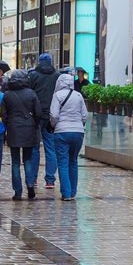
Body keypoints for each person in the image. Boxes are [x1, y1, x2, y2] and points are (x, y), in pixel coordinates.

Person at [1, 69, 44, 200]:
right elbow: (38, 113)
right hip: (29, 129)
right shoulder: (31, 93)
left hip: (14, 129)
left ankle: (18, 192)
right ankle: (30, 186)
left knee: (15, 161)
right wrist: (34, 124)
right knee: (28, 159)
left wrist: (9, 124)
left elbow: (3, 115)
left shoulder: (7, 95)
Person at [49, 72, 88, 201]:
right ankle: (73, 192)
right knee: (73, 161)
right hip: (78, 132)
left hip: (62, 132)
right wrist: (78, 125)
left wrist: (54, 125)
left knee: (63, 163)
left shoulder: (57, 95)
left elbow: (54, 115)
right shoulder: (78, 95)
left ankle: (66, 193)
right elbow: (84, 116)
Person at [29, 53, 61, 189]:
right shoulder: (57, 76)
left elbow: (29, 93)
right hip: (51, 116)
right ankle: (50, 180)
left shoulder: (33, 75)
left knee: (35, 148)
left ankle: (33, 178)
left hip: (36, 116)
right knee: (51, 148)